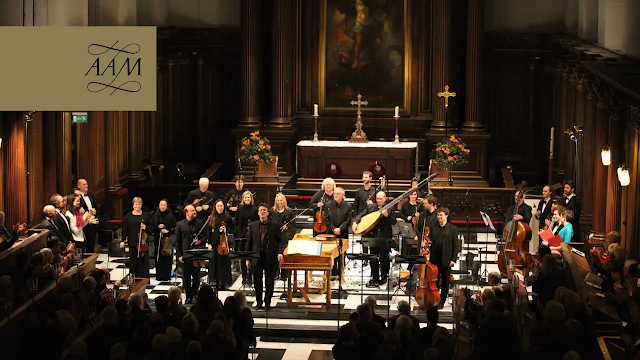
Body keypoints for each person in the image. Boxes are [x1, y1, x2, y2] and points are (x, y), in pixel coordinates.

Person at [352, 191, 396, 286]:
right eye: (377, 199)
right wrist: (355, 222)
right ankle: (374, 277)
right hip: (373, 237)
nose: (379, 201)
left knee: (384, 258)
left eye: (381, 199)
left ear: (385, 199)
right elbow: (361, 215)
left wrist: (387, 216)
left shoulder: (390, 207)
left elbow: (394, 222)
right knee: (373, 258)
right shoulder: (371, 207)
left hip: (385, 237)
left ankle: (384, 277)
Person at [245, 203, 284, 310]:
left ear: (267, 212)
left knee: (269, 281)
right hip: (257, 257)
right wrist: (248, 258)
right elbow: (249, 243)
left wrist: (280, 252)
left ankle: (267, 302)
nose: (262, 212)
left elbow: (280, 241)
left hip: (269, 257)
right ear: (258, 213)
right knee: (257, 281)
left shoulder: (274, 225)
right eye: (260, 210)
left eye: (264, 210)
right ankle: (258, 302)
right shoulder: (253, 225)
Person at [175, 204, 207, 304]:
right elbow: (177, 241)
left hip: (196, 253)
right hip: (185, 254)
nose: (194, 212)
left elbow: (205, 236)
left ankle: (195, 295)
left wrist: (200, 241)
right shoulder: (180, 224)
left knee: (196, 276)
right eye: (192, 210)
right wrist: (179, 255)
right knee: (186, 276)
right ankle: (188, 296)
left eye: (194, 210)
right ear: (186, 212)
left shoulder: (200, 223)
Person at [429, 207, 460, 309]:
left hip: (446, 259)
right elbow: (430, 242)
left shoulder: (453, 229)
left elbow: (456, 246)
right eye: (438, 215)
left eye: (441, 215)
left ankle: (442, 301)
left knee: (445, 282)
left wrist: (453, 259)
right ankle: (435, 299)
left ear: (446, 215)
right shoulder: (433, 228)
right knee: (435, 281)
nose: (439, 217)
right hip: (435, 258)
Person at [120, 197, 152, 278]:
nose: (138, 206)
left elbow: (152, 227)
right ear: (133, 205)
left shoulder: (146, 215)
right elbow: (125, 229)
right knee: (133, 261)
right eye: (136, 204)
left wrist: (146, 227)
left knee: (144, 262)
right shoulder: (128, 216)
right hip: (133, 242)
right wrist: (123, 240)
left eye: (139, 204)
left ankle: (144, 279)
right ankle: (134, 278)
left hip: (143, 243)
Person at [206, 199, 234, 291]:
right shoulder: (211, 218)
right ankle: (216, 282)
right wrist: (209, 243)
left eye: (221, 206)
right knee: (215, 264)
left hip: (224, 244)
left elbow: (233, 230)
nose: (220, 208)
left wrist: (227, 230)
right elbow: (209, 232)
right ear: (215, 207)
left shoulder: (227, 217)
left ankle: (224, 283)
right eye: (218, 206)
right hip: (215, 244)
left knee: (224, 264)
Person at [235, 191, 258, 285]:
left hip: (252, 234)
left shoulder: (255, 209)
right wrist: (238, 232)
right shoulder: (240, 208)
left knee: (251, 256)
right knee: (243, 256)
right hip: (242, 234)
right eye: (245, 197)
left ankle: (251, 277)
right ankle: (244, 276)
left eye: (248, 197)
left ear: (251, 198)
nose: (247, 199)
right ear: (243, 199)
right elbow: (236, 221)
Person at [270, 193, 294, 279]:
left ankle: (284, 275)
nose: (279, 202)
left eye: (281, 200)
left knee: (284, 256)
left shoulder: (289, 211)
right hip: (275, 236)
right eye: (278, 200)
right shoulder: (272, 211)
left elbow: (293, 225)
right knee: (275, 255)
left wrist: (287, 227)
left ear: (284, 201)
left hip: (285, 236)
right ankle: (275, 273)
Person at [152, 199, 177, 281]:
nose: (162, 207)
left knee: (167, 257)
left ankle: (166, 276)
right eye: (161, 205)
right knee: (158, 257)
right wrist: (158, 227)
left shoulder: (171, 216)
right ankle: (159, 275)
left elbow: (175, 228)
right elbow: (152, 227)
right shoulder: (156, 215)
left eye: (164, 205)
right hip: (158, 239)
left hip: (168, 239)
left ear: (167, 206)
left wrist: (168, 231)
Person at [77, 179, 99, 251]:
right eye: (84, 184)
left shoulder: (91, 195)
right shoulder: (77, 197)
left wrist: (94, 211)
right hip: (83, 224)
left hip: (92, 223)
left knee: (91, 243)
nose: (86, 186)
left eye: (86, 184)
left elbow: (95, 206)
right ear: (78, 186)